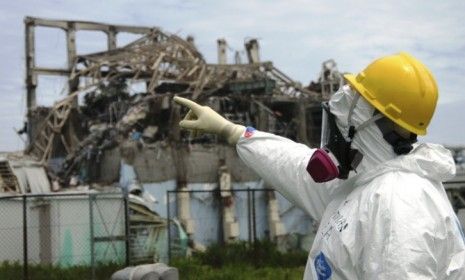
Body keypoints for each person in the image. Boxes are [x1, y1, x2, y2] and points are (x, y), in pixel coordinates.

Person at [173, 52, 465, 279]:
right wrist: (232, 131)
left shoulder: (398, 206)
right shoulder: (366, 180)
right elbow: (294, 165)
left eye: (345, 112)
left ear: (367, 119)